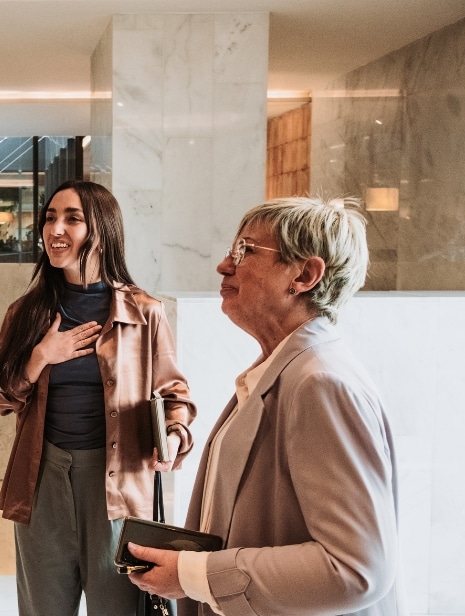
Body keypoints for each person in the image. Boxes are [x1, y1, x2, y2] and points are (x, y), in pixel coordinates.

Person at [127, 197, 405, 615]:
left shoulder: (320, 382)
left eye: (245, 251)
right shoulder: (280, 371)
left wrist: (194, 574)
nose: (224, 265)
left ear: (305, 275)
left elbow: (355, 568)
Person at [0, 180, 196, 616]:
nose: (55, 228)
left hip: (118, 487)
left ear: (103, 229)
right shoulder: (27, 313)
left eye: (72, 218)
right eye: (49, 217)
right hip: (42, 482)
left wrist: (173, 438)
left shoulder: (143, 312)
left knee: (119, 607)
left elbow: (176, 396)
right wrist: (40, 357)